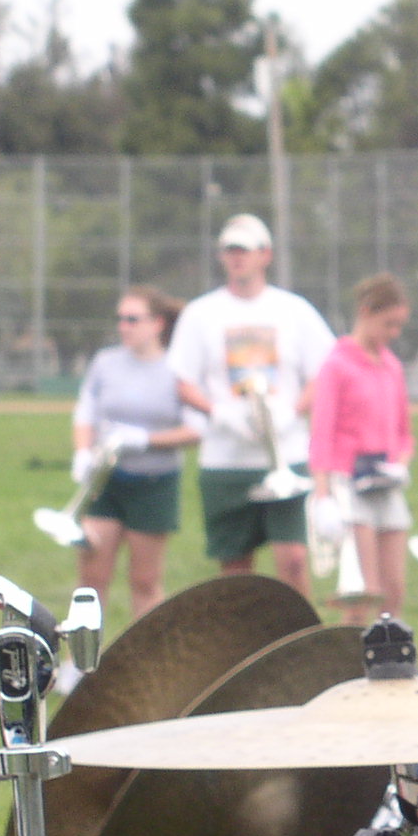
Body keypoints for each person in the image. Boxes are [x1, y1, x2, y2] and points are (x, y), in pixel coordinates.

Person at [169, 214, 331, 598]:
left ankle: (303, 644)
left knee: (292, 559)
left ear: (266, 254)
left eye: (245, 249)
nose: (237, 257)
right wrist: (219, 414)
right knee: (235, 569)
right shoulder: (201, 313)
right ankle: (243, 649)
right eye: (230, 250)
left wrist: (292, 413)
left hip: (286, 455)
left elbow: (322, 373)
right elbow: (182, 381)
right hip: (226, 460)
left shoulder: (294, 310)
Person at [72, 286, 199, 621]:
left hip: (154, 483)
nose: (124, 326)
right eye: (120, 319)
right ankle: (79, 664)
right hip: (106, 481)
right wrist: (82, 453)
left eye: (133, 319)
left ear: (157, 324)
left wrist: (146, 440)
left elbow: (195, 430)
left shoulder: (177, 369)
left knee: (144, 581)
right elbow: (86, 411)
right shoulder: (106, 362)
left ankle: (147, 665)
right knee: (92, 579)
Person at [307, 272, 415, 622]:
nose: (393, 334)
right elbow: (321, 432)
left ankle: (391, 667)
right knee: (361, 594)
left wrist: (400, 463)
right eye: (389, 324)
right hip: (349, 484)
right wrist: (322, 496)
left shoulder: (392, 367)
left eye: (399, 326)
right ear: (367, 312)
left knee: (394, 589)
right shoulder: (337, 365)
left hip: (385, 482)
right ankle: (349, 668)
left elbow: (404, 432)